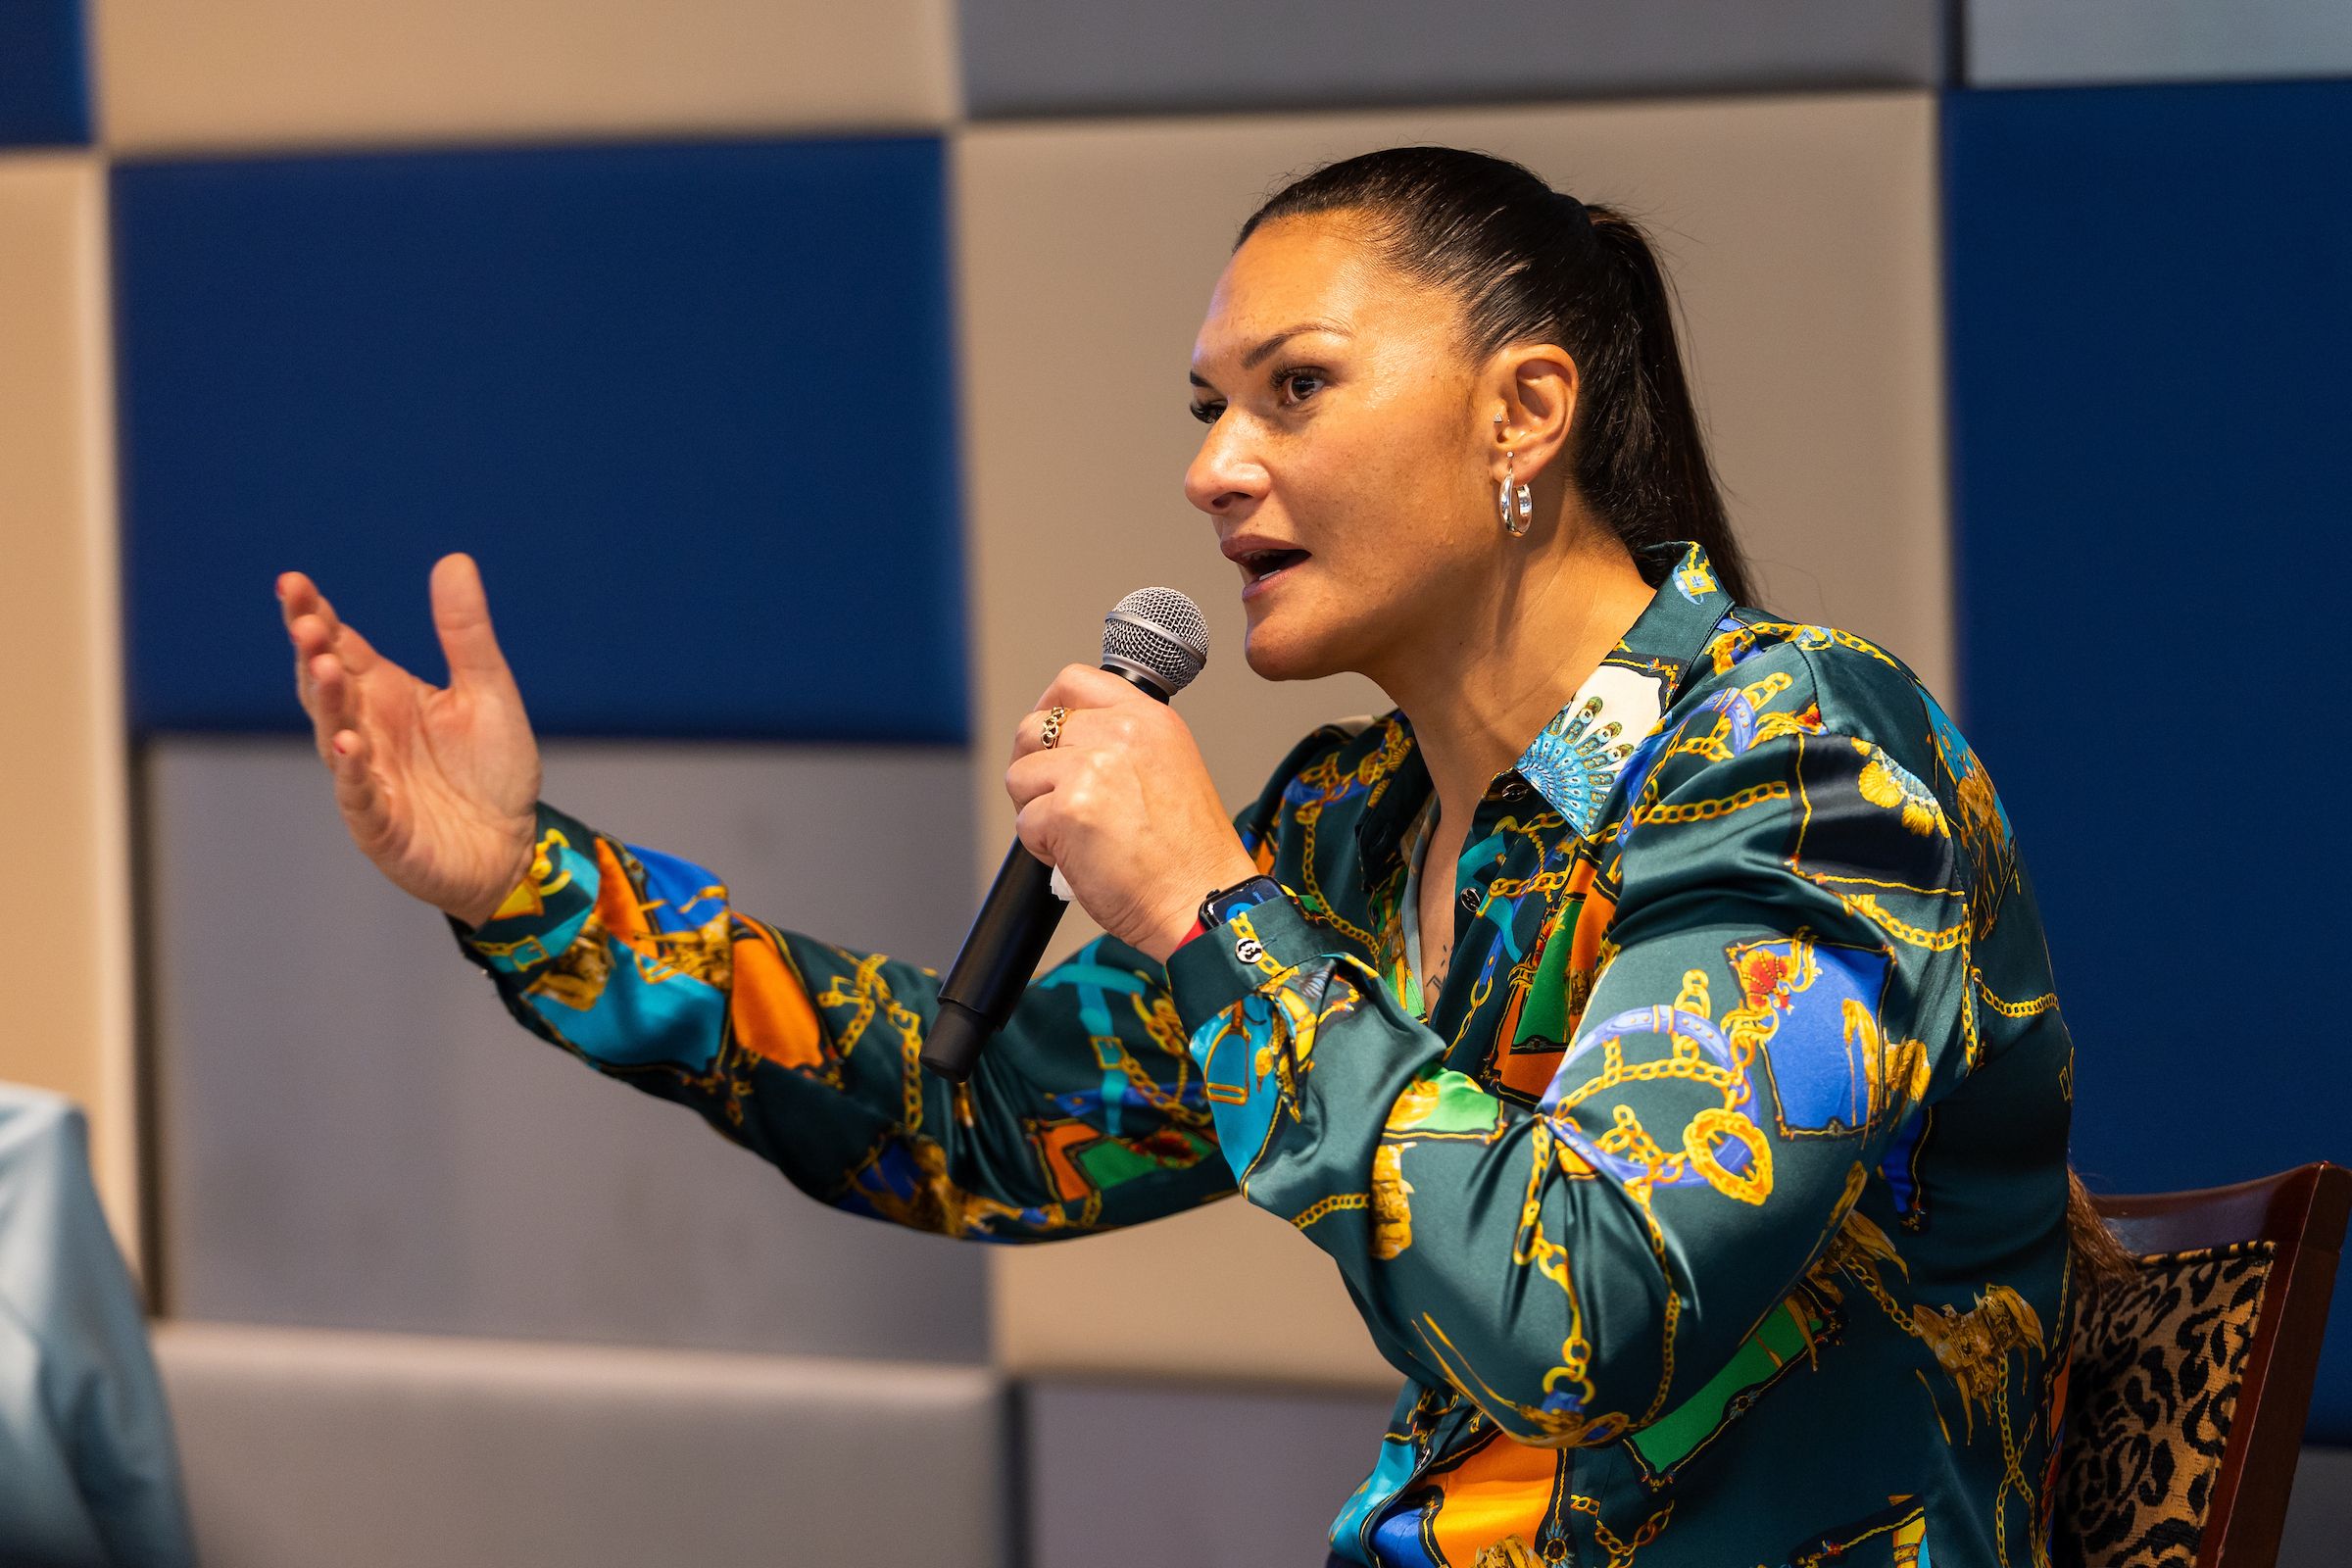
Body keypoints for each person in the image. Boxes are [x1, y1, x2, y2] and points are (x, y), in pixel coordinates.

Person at [276, 146, 2098, 1567]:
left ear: (1524, 415)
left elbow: (1584, 1304)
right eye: (1207, 410)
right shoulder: (1356, 824)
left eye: (1292, 391)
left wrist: (1210, 913)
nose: (1214, 469)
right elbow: (968, 1125)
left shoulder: (1796, 756)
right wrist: (525, 881)